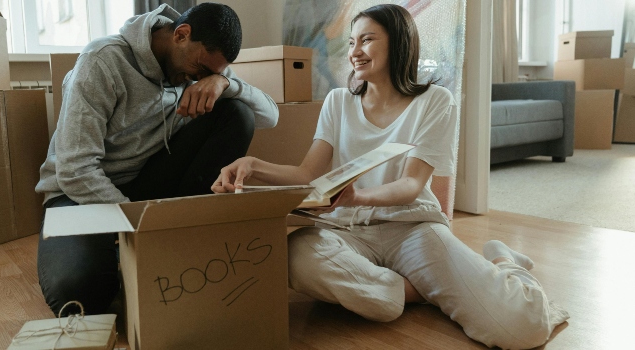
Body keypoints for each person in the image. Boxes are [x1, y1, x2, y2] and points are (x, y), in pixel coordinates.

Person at [212, 4, 569, 349]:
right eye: (352, 42)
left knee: (522, 328)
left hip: (412, 228)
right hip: (345, 230)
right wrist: (253, 165)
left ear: (399, 42)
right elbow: (306, 173)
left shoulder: (435, 101)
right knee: (298, 255)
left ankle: (503, 262)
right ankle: (419, 291)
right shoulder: (337, 102)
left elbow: (411, 185)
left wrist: (357, 197)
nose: (355, 51)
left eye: (367, 40)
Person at [34, 3, 278, 316]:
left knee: (238, 113)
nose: (199, 78)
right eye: (202, 70)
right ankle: (128, 251)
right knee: (79, 295)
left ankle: (184, 233)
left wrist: (223, 83)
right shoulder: (102, 61)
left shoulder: (203, 63)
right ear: (181, 35)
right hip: (79, 196)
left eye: (211, 73)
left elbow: (269, 115)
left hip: (145, 181)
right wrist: (136, 227)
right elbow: (76, 171)